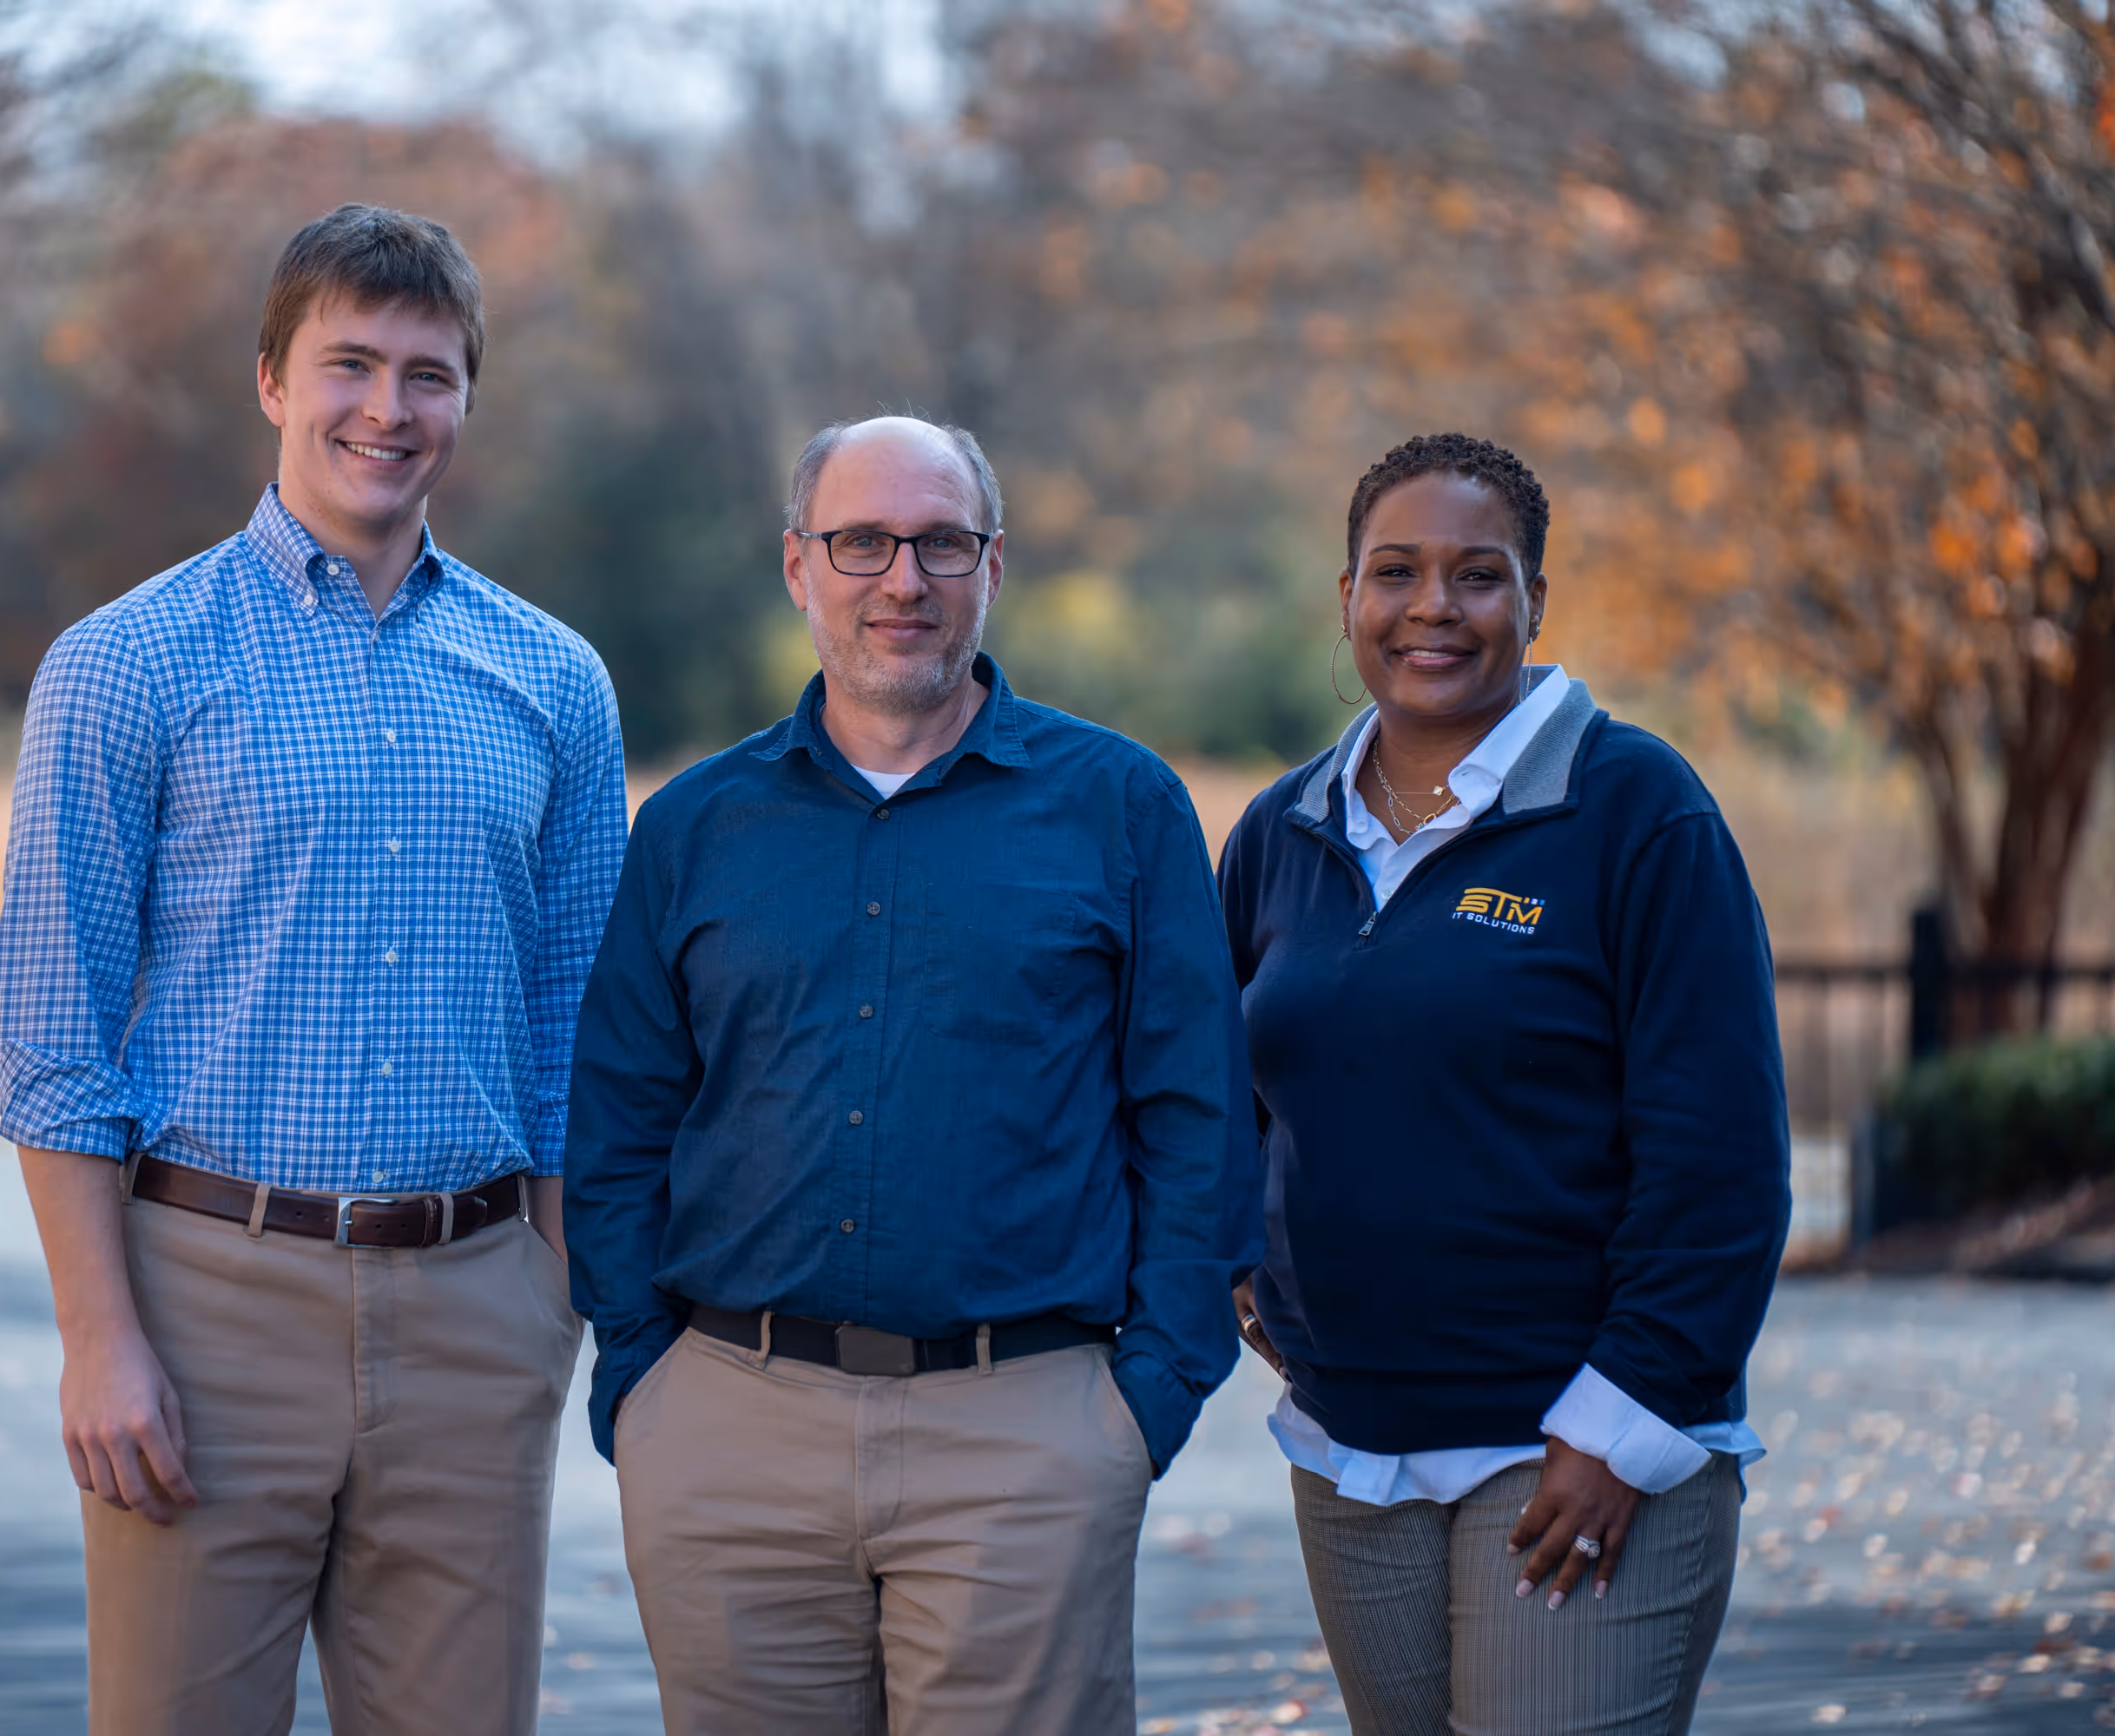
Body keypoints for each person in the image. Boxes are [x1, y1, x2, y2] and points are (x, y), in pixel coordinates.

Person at [0, 203, 625, 1736]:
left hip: (481, 1308)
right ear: (271, 380)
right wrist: (101, 1342)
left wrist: (553, 1296)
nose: (387, 411)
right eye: (350, 364)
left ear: (469, 397)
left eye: (430, 374)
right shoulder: (127, 664)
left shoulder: (554, 680)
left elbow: (572, 1026)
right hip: (205, 1309)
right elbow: (53, 1034)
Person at [565, 414, 1262, 1734]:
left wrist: (1147, 1402)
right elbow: (617, 1119)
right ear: (797, 565)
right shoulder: (696, 827)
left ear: (992, 567)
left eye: (942, 542)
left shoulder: (1120, 806)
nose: (903, 579)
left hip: (1029, 1436)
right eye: (863, 541)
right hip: (729, 1434)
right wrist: (644, 1380)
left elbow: (1199, 1122)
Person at [1219, 432, 1788, 1735]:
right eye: (1394, 572)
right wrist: (1240, 1258)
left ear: (1537, 600)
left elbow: (1724, 1155)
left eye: (1478, 576)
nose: (1432, 609)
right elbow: (1222, 1083)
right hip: (1350, 1446)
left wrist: (1624, 1420)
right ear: (1346, 596)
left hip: (1574, 1454)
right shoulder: (1286, 828)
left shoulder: (1640, 810)